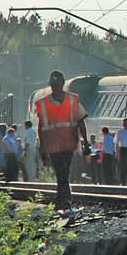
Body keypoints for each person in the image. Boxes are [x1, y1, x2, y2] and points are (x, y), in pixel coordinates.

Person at [34, 70, 89, 212]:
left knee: (65, 172)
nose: (55, 88)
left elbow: (81, 122)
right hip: (53, 146)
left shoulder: (73, 100)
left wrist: (86, 142)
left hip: (68, 144)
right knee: (61, 172)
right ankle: (64, 200)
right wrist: (42, 148)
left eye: (57, 85)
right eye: (53, 85)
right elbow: (40, 128)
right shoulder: (44, 104)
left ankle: (62, 199)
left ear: (62, 84)